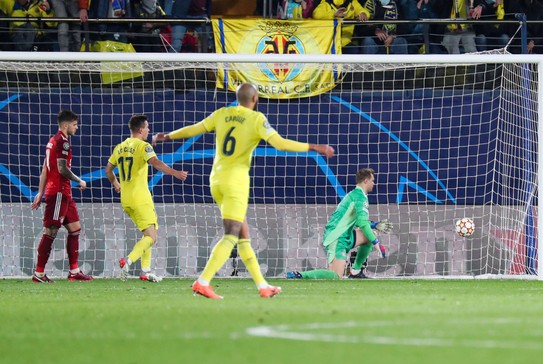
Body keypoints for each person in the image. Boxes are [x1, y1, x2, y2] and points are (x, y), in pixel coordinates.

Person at [153, 83, 335, 299]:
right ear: (255, 98)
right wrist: (314, 147)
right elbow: (280, 143)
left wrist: (168, 136)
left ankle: (262, 286)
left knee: (243, 236)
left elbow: (196, 128)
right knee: (231, 234)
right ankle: (203, 281)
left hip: (216, 179)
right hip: (235, 182)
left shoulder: (223, 113)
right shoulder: (256, 119)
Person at [105, 114, 188, 282]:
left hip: (126, 199)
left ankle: (146, 270)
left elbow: (108, 170)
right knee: (152, 236)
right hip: (140, 197)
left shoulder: (119, 147)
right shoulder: (144, 146)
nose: (149, 130)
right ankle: (128, 261)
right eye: (148, 127)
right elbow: (156, 163)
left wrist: (116, 183)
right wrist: (175, 173)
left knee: (149, 231)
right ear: (141, 129)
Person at [287, 168, 392, 279]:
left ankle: (355, 272)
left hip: (345, 234)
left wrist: (374, 225)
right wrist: (377, 244)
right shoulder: (359, 197)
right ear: (366, 181)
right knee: (336, 276)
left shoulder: (355, 194)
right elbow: (362, 223)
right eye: (372, 180)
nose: (373, 183)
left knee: (370, 234)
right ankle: (300, 275)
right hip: (337, 236)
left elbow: (354, 220)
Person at [31, 110, 93, 282]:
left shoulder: (52, 141)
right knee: (50, 231)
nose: (77, 127)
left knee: (75, 229)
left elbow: (45, 168)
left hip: (64, 193)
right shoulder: (62, 142)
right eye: (74, 124)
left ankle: (74, 272)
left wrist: (40, 192)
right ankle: (39, 273)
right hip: (58, 192)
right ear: (65, 125)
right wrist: (80, 180)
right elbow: (62, 169)